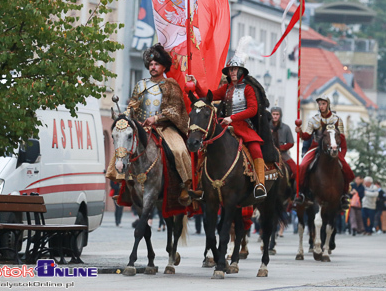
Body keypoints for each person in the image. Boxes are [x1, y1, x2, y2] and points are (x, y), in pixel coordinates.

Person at [187, 37, 269, 199]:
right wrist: (196, 84)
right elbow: (207, 95)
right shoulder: (226, 88)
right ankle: (201, 186)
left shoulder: (248, 89)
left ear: (240, 71)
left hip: (243, 126)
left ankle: (260, 184)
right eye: (230, 70)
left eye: (234, 69)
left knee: (255, 149)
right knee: (206, 148)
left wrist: (232, 118)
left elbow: (252, 110)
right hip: (225, 125)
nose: (232, 72)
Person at [127, 43, 192, 206]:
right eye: (150, 64)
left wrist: (155, 118)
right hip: (141, 127)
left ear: (164, 67)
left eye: (156, 64)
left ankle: (185, 185)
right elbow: (133, 104)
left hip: (164, 128)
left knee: (179, 150)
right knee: (122, 147)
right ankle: (124, 182)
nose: (153, 67)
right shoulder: (141, 85)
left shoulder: (171, 85)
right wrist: (126, 115)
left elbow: (176, 110)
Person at [294, 95, 355, 210]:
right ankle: (301, 193)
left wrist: (340, 155)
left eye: (323, 103)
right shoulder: (314, 120)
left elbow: (342, 140)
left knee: (346, 169)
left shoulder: (337, 120)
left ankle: (344, 195)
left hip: (333, 149)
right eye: (320, 104)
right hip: (316, 147)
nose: (321, 106)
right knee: (302, 166)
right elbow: (307, 136)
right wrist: (300, 132)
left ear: (328, 104)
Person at [270, 107, 297, 181]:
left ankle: (292, 186)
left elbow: (291, 143)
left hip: (282, 153)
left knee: (295, 169)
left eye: (277, 114)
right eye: (273, 114)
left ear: (280, 115)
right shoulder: (267, 127)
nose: (275, 116)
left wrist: (280, 148)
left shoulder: (286, 128)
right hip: (269, 152)